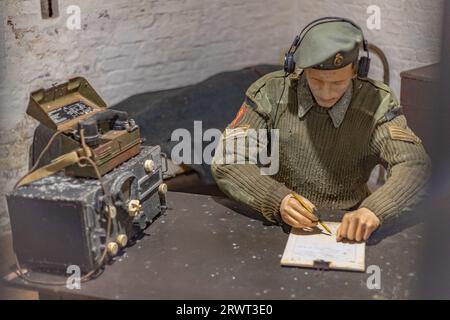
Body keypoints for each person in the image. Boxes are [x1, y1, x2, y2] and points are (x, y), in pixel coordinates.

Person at [211, 17, 431, 242]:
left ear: (357, 71)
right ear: (299, 69)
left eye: (338, 83)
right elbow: (229, 159)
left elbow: (414, 165)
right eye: (316, 81)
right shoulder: (271, 93)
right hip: (282, 221)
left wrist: (375, 210)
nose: (326, 93)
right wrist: (276, 199)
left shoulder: (377, 102)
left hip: (351, 224)